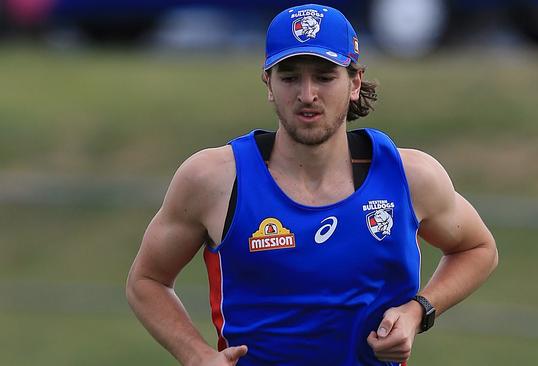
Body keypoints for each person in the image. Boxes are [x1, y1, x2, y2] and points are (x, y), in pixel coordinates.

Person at [126, 4, 498, 366]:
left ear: (354, 82)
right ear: (268, 83)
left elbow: (478, 249)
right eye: (290, 77)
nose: (307, 95)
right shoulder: (215, 179)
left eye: (324, 76)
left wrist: (420, 310)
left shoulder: (410, 176)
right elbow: (147, 281)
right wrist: (197, 355)